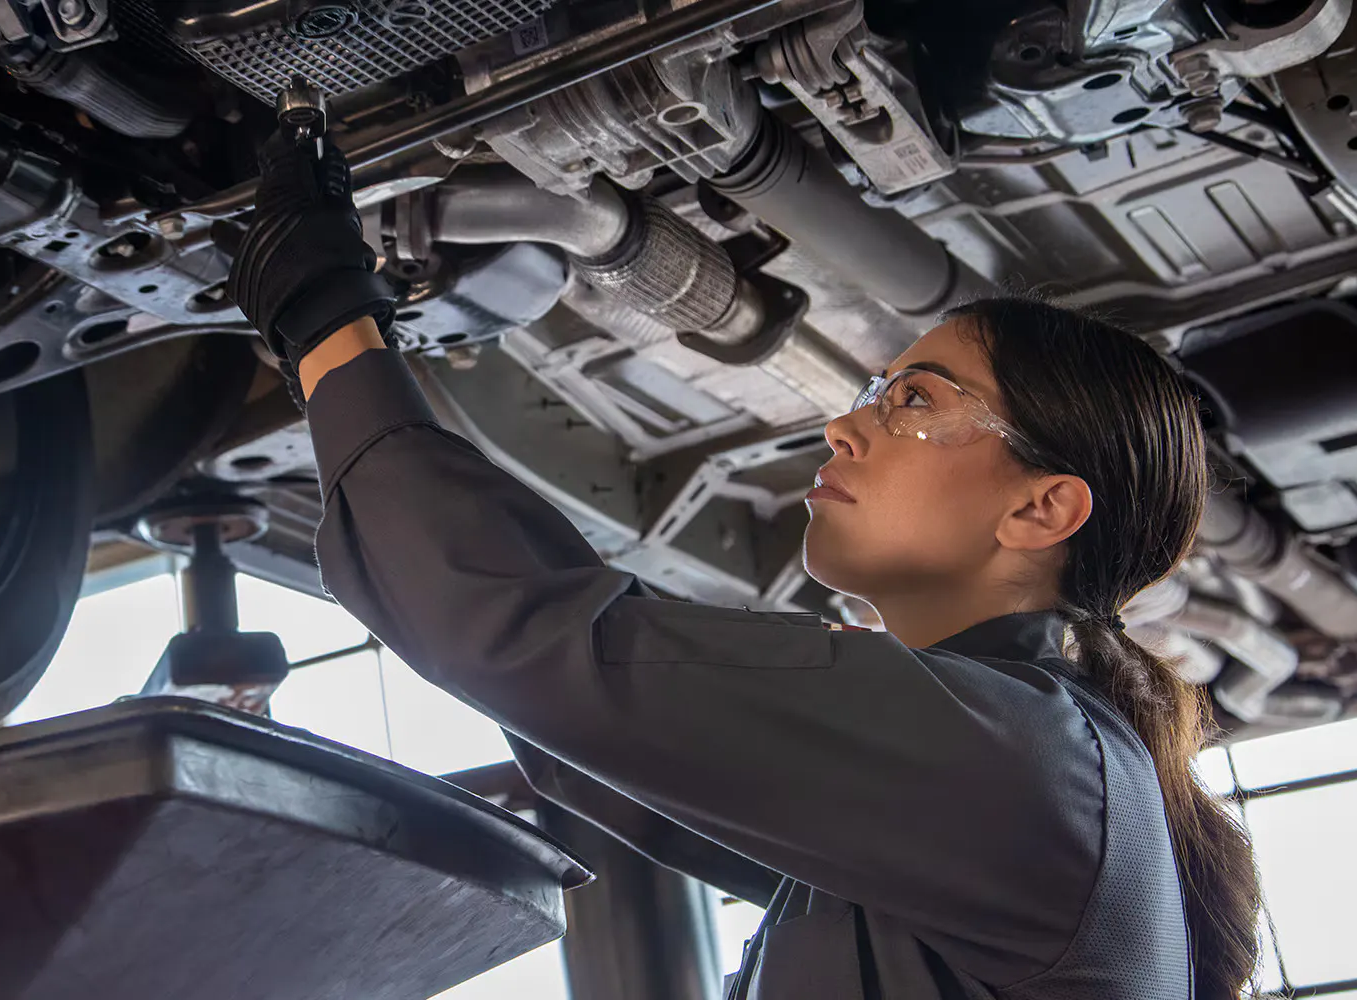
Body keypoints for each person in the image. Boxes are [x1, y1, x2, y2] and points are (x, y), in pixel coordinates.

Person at [226, 131, 1263, 1000]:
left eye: (912, 400)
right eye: (870, 389)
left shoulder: (1019, 761)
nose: (843, 425)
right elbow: (594, 734)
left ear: (1041, 507)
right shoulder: (1004, 770)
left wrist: (323, 312)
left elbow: (543, 650)